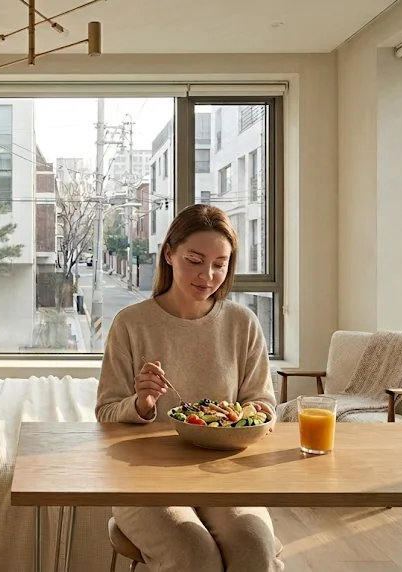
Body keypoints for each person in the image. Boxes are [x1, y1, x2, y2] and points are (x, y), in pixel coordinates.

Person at [96, 204, 283, 572]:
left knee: (255, 549)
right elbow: (105, 413)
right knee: (194, 555)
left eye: (220, 263)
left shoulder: (241, 323)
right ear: (169, 254)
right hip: (143, 477)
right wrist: (142, 403)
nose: (207, 275)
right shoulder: (131, 323)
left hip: (223, 474)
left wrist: (257, 414)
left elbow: (262, 402)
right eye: (195, 260)